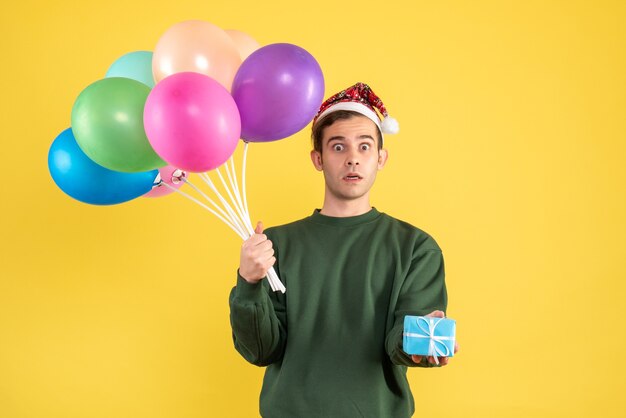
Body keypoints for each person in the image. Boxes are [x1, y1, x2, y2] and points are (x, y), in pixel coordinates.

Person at [229, 82, 458, 418]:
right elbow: (262, 350)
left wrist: (419, 344)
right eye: (338, 147)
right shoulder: (274, 247)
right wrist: (248, 283)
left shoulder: (416, 248)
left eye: (364, 147)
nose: (352, 158)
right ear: (318, 159)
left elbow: (401, 341)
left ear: (381, 158)